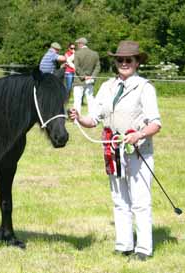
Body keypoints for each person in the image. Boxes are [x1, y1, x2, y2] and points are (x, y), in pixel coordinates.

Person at [68, 40, 162, 261]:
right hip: (113, 152)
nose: (124, 63)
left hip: (138, 152)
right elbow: (94, 119)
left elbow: (155, 124)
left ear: (137, 62)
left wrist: (139, 135)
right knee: (119, 199)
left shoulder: (145, 88)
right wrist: (79, 118)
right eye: (120, 59)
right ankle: (124, 245)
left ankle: (143, 249)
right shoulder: (107, 87)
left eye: (129, 60)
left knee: (140, 201)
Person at [72, 37, 100, 115]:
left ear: (81, 44)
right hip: (90, 81)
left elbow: (76, 67)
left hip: (79, 81)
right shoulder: (95, 53)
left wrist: (84, 76)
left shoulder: (77, 53)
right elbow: (98, 67)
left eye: (78, 44)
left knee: (77, 101)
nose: (77, 45)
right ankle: (92, 116)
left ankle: (76, 119)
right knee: (90, 99)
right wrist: (93, 76)